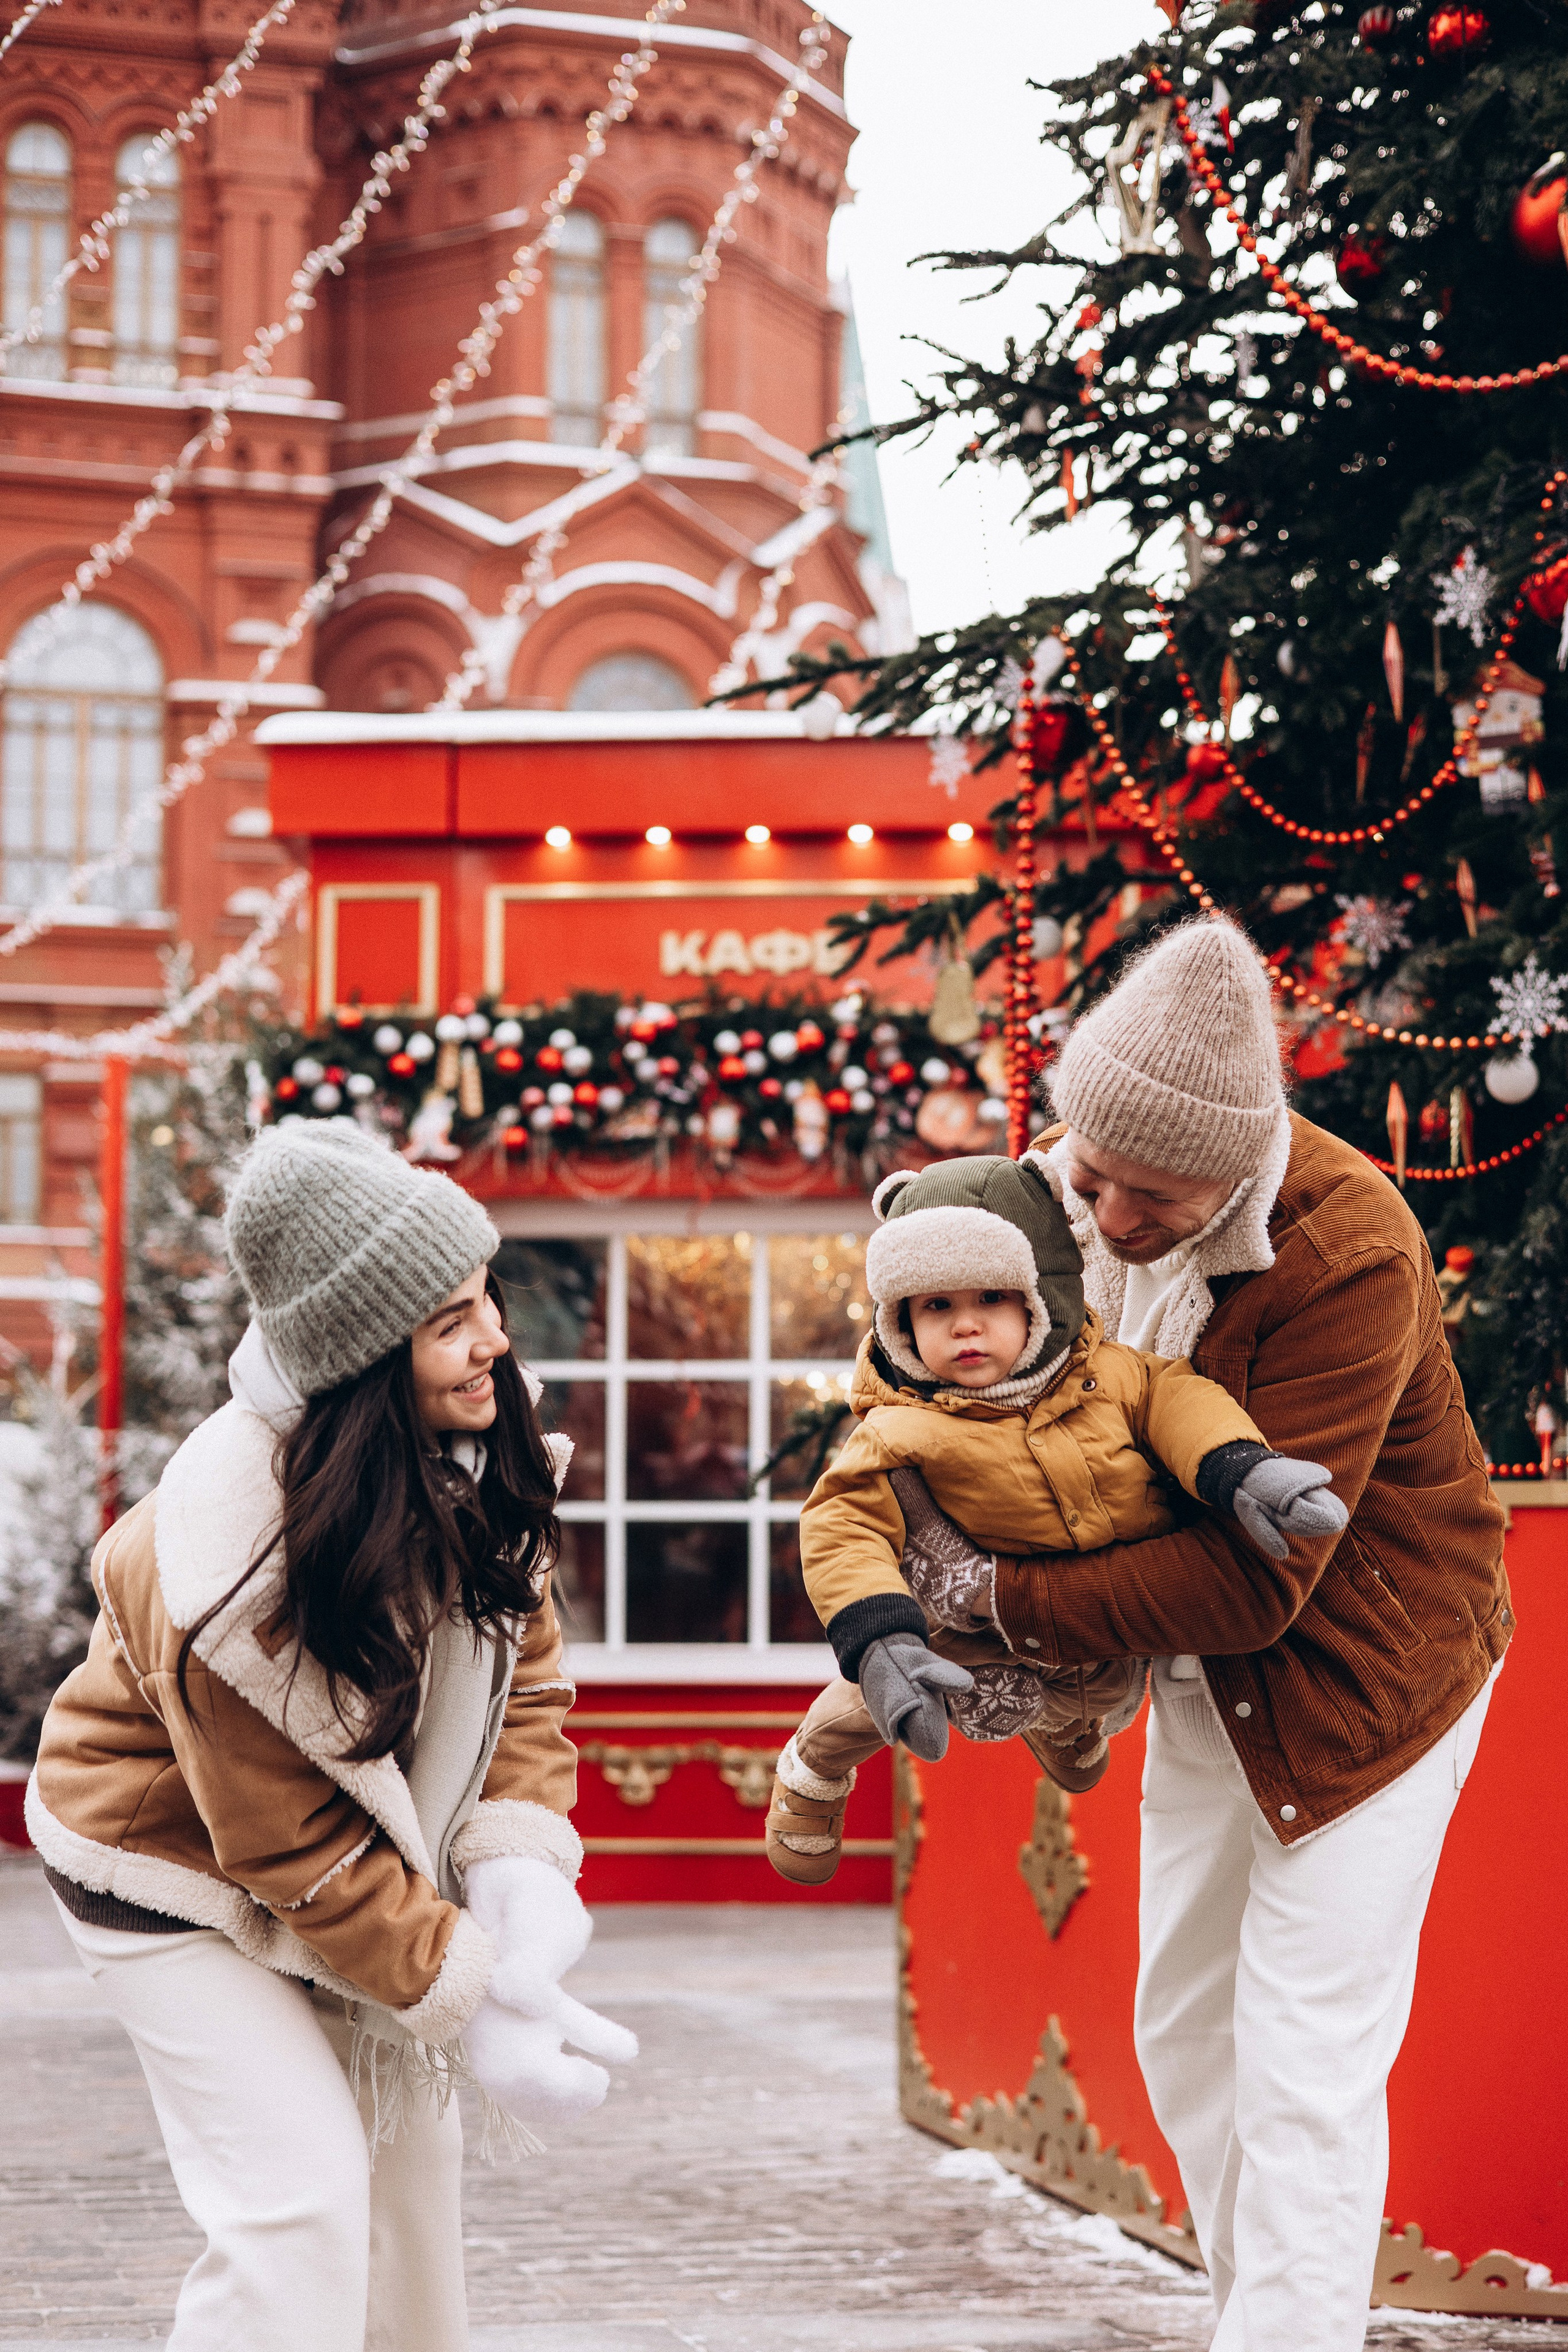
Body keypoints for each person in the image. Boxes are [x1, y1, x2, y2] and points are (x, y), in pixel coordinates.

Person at [869, 919, 1511, 2352]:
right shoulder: (1068, 1187)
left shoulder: (1345, 1251)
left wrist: (996, 1598)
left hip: (1370, 1678)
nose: (1102, 1214)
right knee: (1184, 2023)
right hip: (1210, 1679)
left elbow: (1251, 1579)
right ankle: (1259, 2313)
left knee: (1303, 2052)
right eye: (1086, 1172)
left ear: (1240, 1160)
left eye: (1147, 1195)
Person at [26, 1119, 635, 2352]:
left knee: (411, 2179)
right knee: (295, 2198)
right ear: (362, 1355)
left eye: (487, 1300)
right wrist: (468, 1993)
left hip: (352, 1856)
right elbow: (286, 1846)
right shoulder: (218, 1559)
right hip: (164, 1875)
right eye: (449, 1321)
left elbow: (522, 1674)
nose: (494, 1340)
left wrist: (512, 1868)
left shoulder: (470, 1441)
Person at [764, 1152, 1348, 1883]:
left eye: (991, 1299)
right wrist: (877, 1633)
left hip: (1091, 1615)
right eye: (935, 1307)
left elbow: (1181, 1404)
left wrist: (1241, 1467)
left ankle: (1063, 1722)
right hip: (962, 1626)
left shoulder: (1111, 1373)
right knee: (891, 1698)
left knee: (1094, 1695)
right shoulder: (899, 1429)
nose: (966, 1326)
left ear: (1041, 1298)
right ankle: (812, 1768)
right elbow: (842, 1524)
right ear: (900, 1322)